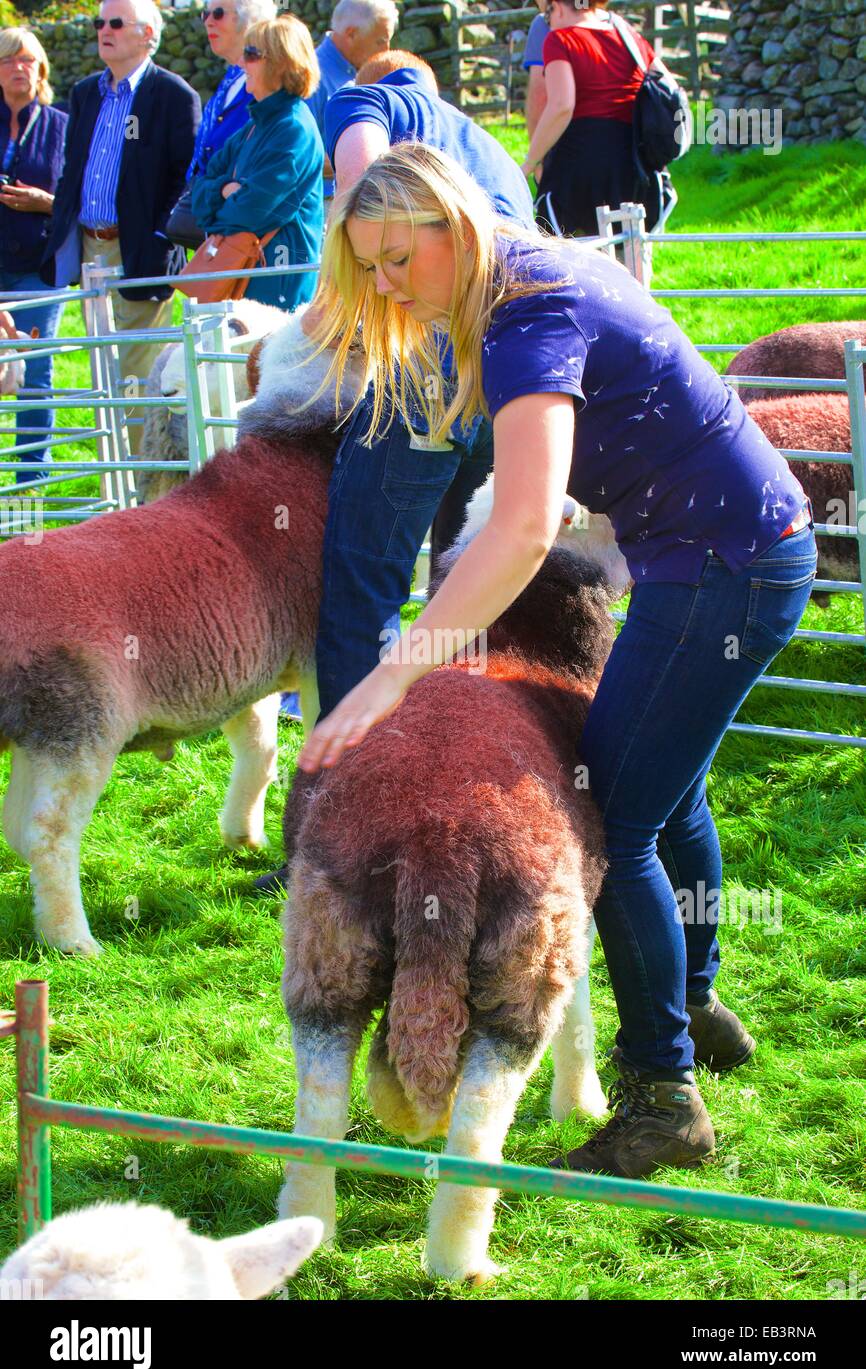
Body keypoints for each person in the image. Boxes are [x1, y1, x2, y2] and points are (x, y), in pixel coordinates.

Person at [290, 142, 817, 1179]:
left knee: (612, 824)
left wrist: (394, 672)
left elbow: (524, 528)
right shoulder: (530, 274)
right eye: (372, 269)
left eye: (401, 259)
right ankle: (694, 1000)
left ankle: (661, 1092)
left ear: (453, 224)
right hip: (731, 551)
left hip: (720, 566)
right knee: (668, 797)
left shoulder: (522, 312)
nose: (390, 285)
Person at [250, 50, 535, 893]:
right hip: (513, 368)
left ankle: (341, 841)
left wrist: (353, 304)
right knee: (475, 586)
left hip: (430, 366)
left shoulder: (363, 102)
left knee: (362, 584)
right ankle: (475, 822)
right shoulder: (487, 144)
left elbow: (363, 184)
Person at [40, 0, 201, 456]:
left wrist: (156, 239)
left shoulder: (172, 95)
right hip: (90, 249)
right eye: (98, 23)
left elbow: (183, 178)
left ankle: (142, 483)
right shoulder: (85, 92)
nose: (103, 30)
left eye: (115, 23)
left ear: (148, 34)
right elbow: (75, 167)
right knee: (100, 369)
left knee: (136, 373)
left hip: (139, 255)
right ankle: (114, 481)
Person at [190, 13, 323, 311]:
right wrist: (226, 190)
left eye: (251, 55)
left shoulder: (294, 129)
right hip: (245, 282)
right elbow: (197, 196)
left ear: (281, 62)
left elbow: (249, 212)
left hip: (275, 291)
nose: (240, 63)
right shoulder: (253, 127)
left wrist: (222, 199)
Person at [520, 0, 674, 239]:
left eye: (546, 15)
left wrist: (529, 163)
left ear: (557, 7)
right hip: (635, 169)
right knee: (632, 255)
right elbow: (668, 86)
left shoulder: (560, 40)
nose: (546, 23)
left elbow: (561, 106)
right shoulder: (629, 37)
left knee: (576, 260)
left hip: (580, 172)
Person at [0, 29, 68, 485]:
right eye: (7, 60)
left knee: (33, 374)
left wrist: (47, 201)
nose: (17, 68)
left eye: (26, 59)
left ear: (41, 68)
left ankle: (28, 494)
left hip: (40, 270)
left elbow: (79, 194)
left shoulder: (62, 125)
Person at [305, 0, 399, 201]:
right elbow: (295, 154)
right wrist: (367, 161)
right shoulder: (311, 77)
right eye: (381, 41)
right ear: (351, 34)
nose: (387, 50)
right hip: (323, 205)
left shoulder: (356, 72)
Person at [187, 0, 277, 182]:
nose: (208, 22)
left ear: (251, 18)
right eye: (206, 14)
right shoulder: (232, 76)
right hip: (204, 201)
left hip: (236, 203)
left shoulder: (269, 82)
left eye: (218, 13)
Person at [522, 0, 549, 138]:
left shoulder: (544, 24)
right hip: (619, 149)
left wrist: (536, 156)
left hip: (570, 148)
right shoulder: (618, 26)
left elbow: (540, 96)